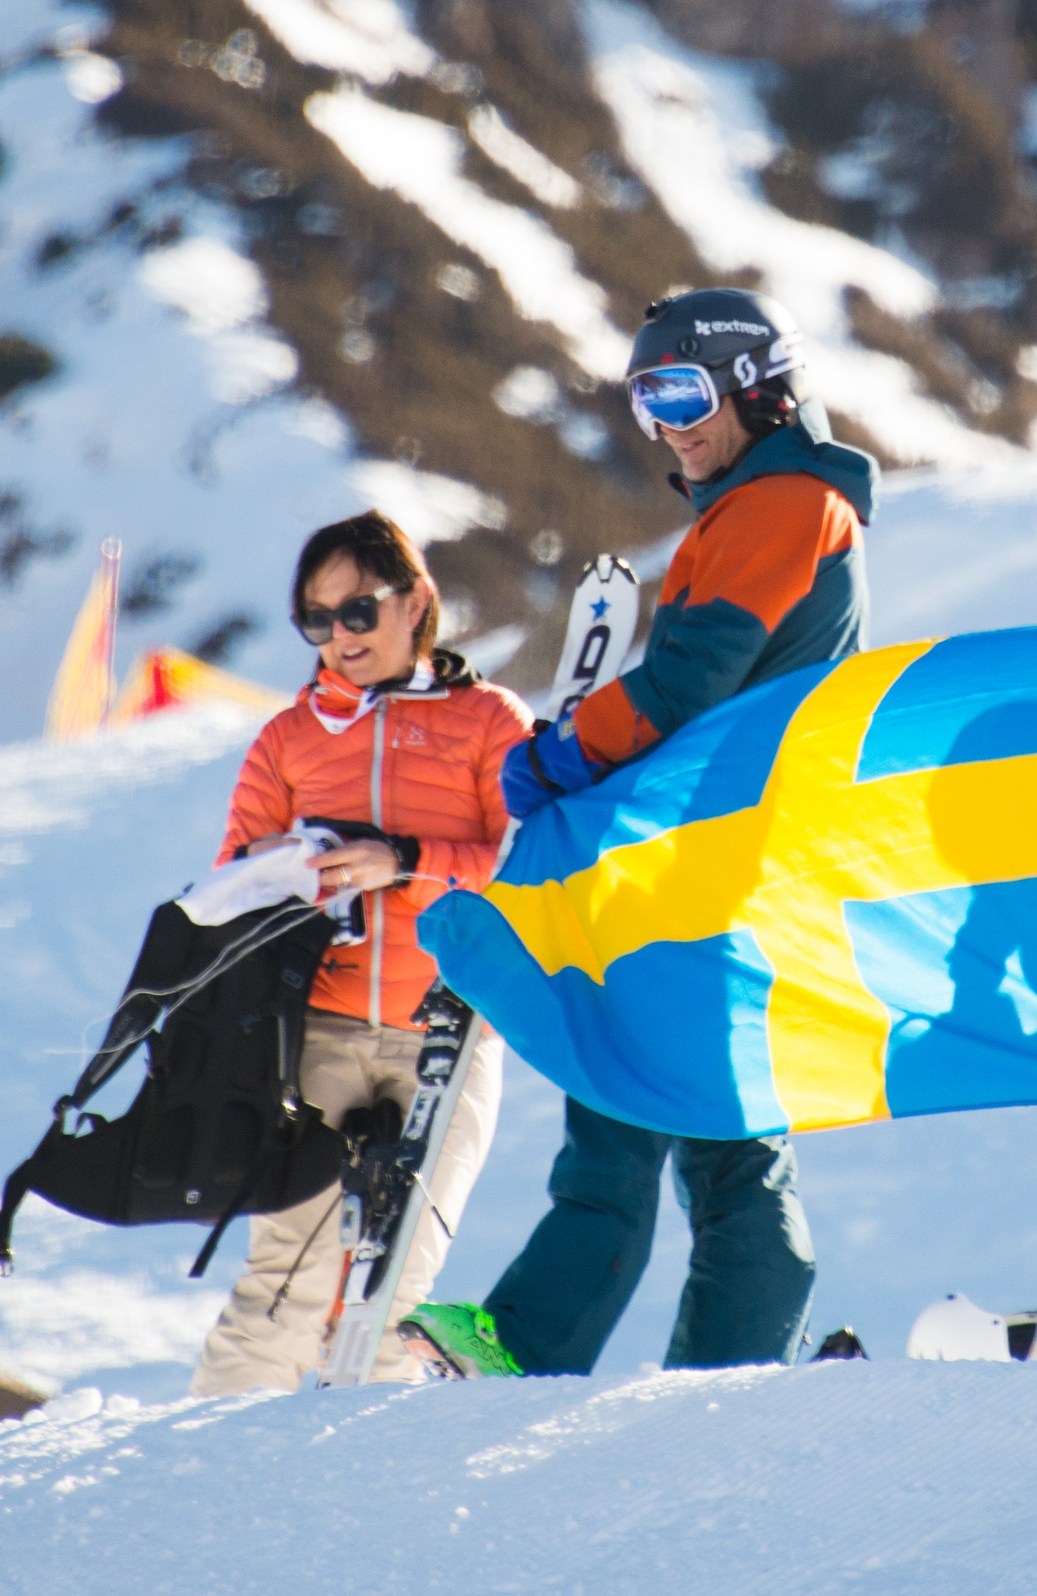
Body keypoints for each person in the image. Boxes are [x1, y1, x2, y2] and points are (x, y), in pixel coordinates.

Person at [409, 288, 877, 1379]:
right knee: (716, 1118)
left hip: (724, 854)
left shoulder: (784, 503)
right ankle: (733, 1358)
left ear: (754, 384)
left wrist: (569, 753)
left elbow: (690, 679)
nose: (666, 425)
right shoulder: (762, 505)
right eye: (645, 402)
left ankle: (540, 1339)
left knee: (627, 1081)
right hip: (730, 851)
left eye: (681, 393)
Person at [188, 510, 533, 1393]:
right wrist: (284, 870)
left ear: (416, 602)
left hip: (450, 1033)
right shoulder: (288, 739)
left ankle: (361, 1473)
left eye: (358, 610)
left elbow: (529, 870)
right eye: (317, 618)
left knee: (393, 1289)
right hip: (319, 1033)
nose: (339, 636)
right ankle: (207, 1461)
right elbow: (230, 886)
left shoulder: (488, 721)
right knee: (287, 1283)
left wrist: (404, 860)